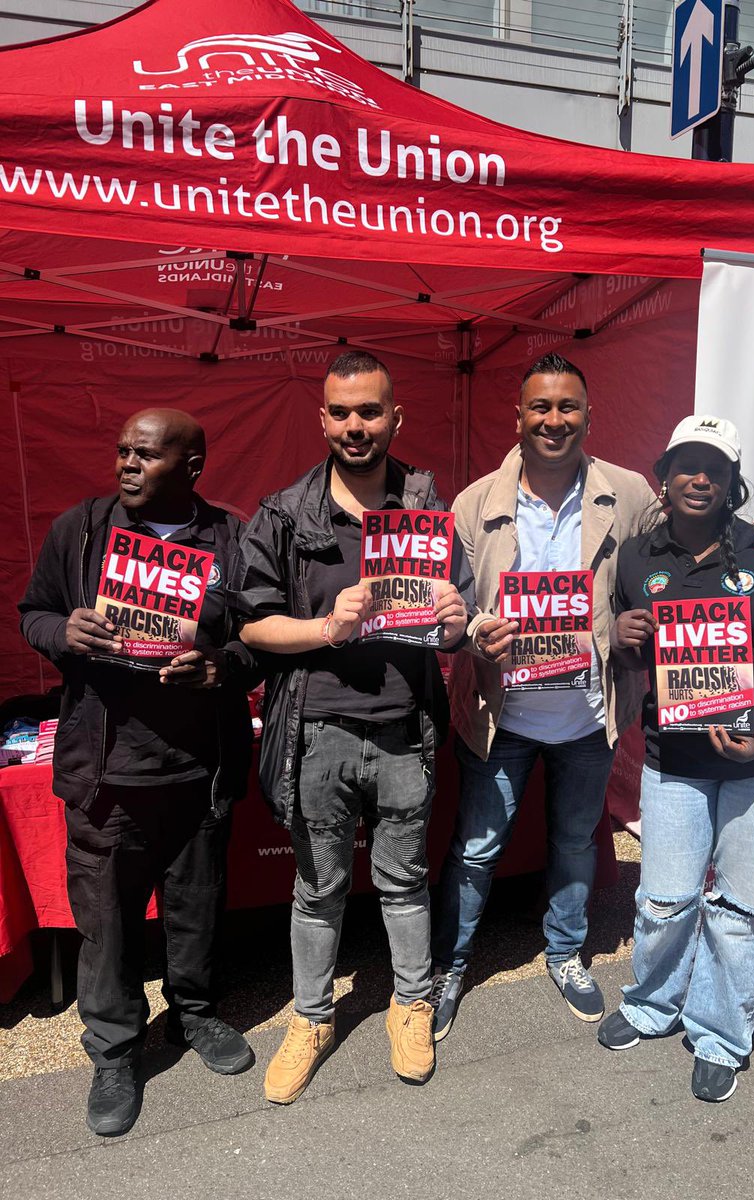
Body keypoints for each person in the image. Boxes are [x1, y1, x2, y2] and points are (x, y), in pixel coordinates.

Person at [429, 354, 754, 1041]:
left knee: (575, 841)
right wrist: (477, 634)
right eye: (540, 407)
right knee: (477, 849)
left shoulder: (629, 492)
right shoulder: (473, 502)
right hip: (500, 712)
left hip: (589, 713)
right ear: (518, 417)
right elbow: (451, 607)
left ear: (588, 416)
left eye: (568, 407)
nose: (553, 419)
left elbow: (700, 529)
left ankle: (566, 953)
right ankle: (449, 968)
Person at [232, 350, 473, 1104]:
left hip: (405, 731)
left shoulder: (430, 508)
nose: (355, 426)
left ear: (395, 417)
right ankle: (311, 1018)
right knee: (318, 888)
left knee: (403, 883)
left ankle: (411, 1003)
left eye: (370, 411)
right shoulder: (284, 513)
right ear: (323, 419)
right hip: (319, 734)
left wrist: (457, 621)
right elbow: (253, 630)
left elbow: (457, 620)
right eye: (341, 412)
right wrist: (325, 629)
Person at [19, 408, 258, 1137]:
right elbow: (33, 614)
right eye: (122, 451)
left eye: (146, 455)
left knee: (196, 907)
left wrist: (224, 666)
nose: (126, 464)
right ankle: (115, 1050)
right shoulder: (80, 530)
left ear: (192, 467)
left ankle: (194, 1015)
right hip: (107, 776)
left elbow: (262, 638)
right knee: (108, 927)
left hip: (197, 771)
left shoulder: (233, 538)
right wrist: (65, 631)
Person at [596, 414, 754, 1103]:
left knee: (741, 909)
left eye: (716, 469)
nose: (700, 479)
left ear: (732, 483)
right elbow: (634, 647)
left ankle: (720, 1033)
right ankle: (652, 1003)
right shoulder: (638, 556)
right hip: (677, 759)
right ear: (663, 475)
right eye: (687, 465)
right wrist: (624, 631)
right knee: (664, 898)